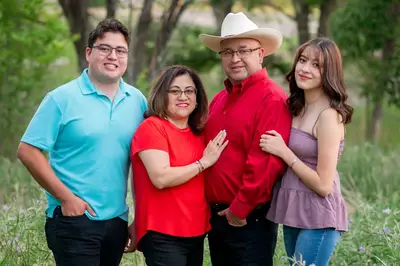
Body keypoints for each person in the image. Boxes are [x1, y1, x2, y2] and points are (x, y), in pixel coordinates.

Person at [16, 18, 147, 265]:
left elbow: (144, 162)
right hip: (73, 220)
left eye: (120, 50)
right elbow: (28, 150)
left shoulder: (137, 101)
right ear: (89, 53)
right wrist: (66, 199)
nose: (113, 56)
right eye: (104, 48)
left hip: (117, 220)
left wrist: (139, 217)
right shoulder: (61, 98)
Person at [198, 12, 292, 265]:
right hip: (216, 217)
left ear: (260, 54)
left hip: (248, 218)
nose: (235, 58)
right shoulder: (219, 100)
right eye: (227, 52)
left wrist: (239, 210)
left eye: (244, 50)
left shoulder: (271, 98)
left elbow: (267, 162)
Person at [261, 37, 353, 266]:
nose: (305, 69)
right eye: (302, 60)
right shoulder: (296, 108)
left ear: (328, 73)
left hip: (320, 217)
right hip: (294, 210)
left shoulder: (329, 117)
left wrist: (285, 153)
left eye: (316, 65)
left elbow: (323, 184)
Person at [129, 65, 228, 266]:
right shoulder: (152, 127)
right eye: (174, 91)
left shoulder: (198, 132)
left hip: (196, 230)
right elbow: (160, 178)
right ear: (161, 95)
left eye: (189, 91)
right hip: (163, 232)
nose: (183, 96)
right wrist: (203, 163)